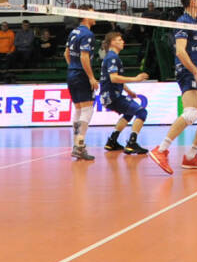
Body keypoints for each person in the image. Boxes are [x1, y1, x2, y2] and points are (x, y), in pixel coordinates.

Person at [149, 0, 197, 172]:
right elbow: (180, 52)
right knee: (190, 114)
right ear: (191, 2)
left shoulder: (195, 23)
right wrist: (196, 72)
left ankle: (190, 157)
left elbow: (193, 51)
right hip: (187, 72)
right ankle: (161, 150)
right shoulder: (183, 22)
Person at [99, 31, 150, 155]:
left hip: (109, 95)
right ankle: (132, 143)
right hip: (112, 96)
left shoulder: (111, 57)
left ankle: (112, 141)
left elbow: (115, 79)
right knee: (141, 112)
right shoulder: (112, 57)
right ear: (112, 42)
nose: (123, 42)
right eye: (119, 40)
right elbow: (114, 78)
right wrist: (136, 79)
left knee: (129, 113)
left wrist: (129, 91)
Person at [64, 9, 100, 161]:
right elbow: (84, 57)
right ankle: (79, 145)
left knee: (78, 109)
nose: (96, 15)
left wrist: (73, 68)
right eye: (92, 13)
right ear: (85, 16)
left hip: (72, 74)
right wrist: (91, 77)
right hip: (81, 75)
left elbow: (66, 54)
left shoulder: (73, 32)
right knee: (87, 109)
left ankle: (77, 145)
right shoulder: (87, 34)